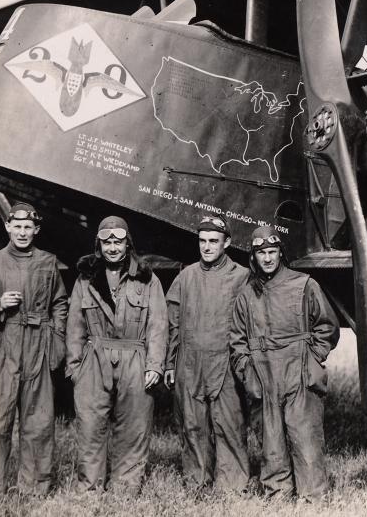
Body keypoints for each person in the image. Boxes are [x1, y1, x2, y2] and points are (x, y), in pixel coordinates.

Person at [229, 225, 340, 500]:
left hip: (298, 369)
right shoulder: (246, 296)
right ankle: (277, 493)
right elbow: (237, 342)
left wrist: (312, 359)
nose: (267, 258)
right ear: (253, 258)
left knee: (305, 437)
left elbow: (327, 327)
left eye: (272, 251)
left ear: (280, 253)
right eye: (261, 253)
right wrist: (248, 374)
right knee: (271, 440)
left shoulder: (304, 285)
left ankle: (313, 497)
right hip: (262, 372)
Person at [0, 202, 69, 496]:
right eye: (18, 226)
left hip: (38, 344)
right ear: (8, 227)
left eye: (29, 227)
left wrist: (57, 338)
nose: (23, 232)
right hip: (3, 345)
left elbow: (60, 302)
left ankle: (35, 487)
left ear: (36, 230)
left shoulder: (48, 262)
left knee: (38, 421)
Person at [66, 215, 167, 495]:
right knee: (90, 426)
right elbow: (75, 325)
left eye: (118, 241)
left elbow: (158, 325)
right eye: (107, 241)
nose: (112, 247)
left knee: (134, 425)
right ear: (99, 244)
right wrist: (75, 367)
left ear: (127, 244)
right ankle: (89, 489)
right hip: (94, 357)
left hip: (134, 355)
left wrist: (155, 366)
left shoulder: (147, 279)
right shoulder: (85, 279)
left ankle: (124, 490)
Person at [164, 214, 250, 492]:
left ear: (227, 243)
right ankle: (197, 482)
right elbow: (172, 322)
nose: (207, 247)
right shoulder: (186, 276)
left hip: (226, 363)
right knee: (192, 425)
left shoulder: (241, 277)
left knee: (229, 424)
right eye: (202, 241)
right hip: (190, 363)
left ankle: (232, 485)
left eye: (214, 241)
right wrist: (169, 362)